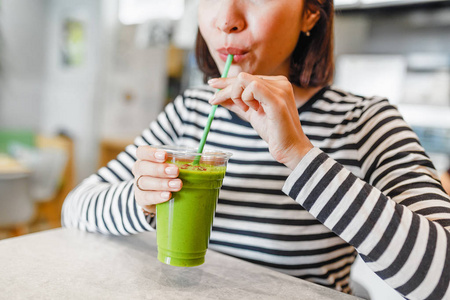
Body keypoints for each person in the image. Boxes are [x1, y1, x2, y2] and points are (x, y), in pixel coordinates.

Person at [62, 0, 450, 298]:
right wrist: (142, 199)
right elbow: (75, 207)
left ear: (310, 14)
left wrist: (299, 155)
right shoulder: (192, 111)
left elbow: (440, 277)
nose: (226, 18)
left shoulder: (365, 121)